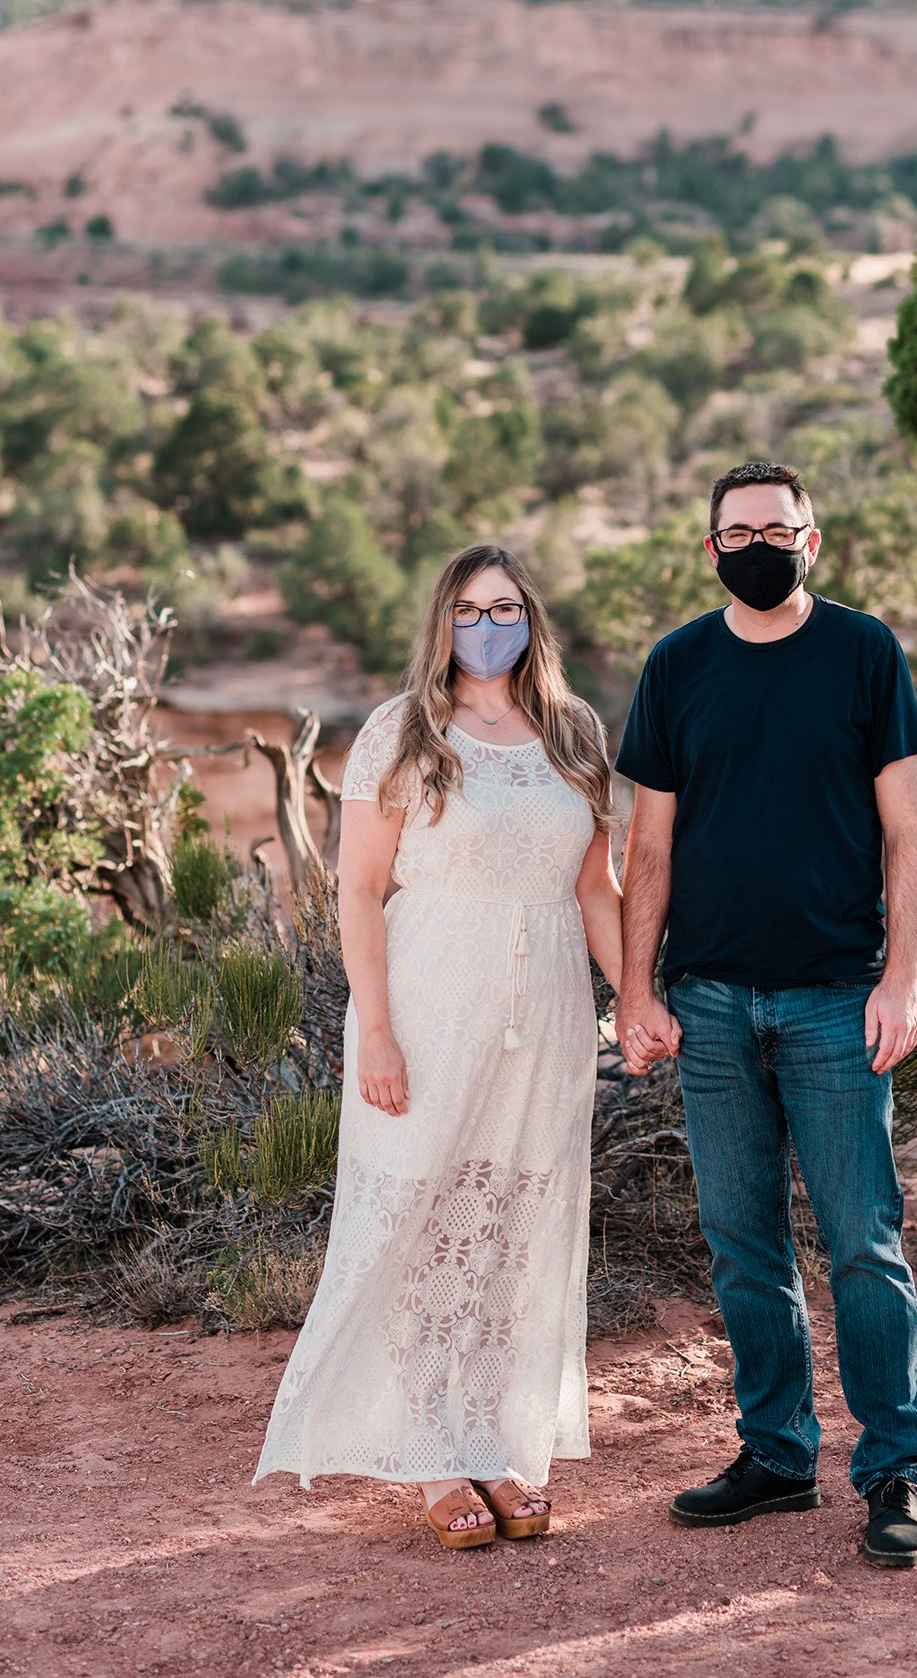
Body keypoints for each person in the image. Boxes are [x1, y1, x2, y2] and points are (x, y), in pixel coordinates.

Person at [254, 543, 623, 1550]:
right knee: (420, 1212)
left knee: (512, 1213)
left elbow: (594, 887)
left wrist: (637, 992)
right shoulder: (401, 731)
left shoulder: (575, 732)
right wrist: (374, 1029)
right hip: (423, 1004)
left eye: (505, 607)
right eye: (468, 609)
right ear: (441, 621)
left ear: (532, 618)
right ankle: (428, 1450)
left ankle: (496, 1437)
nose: (488, 625)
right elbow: (361, 890)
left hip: (545, 1013)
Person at [613, 461, 917, 1568]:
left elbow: (908, 829)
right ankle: (777, 1458)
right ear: (710, 549)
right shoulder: (677, 667)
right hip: (705, 1005)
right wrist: (637, 988)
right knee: (743, 1245)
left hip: (838, 1000)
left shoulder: (864, 653)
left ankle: (893, 1470)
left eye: (778, 527)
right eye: (738, 529)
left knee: (863, 1244)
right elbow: (647, 844)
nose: (760, 543)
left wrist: (904, 977)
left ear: (813, 539)